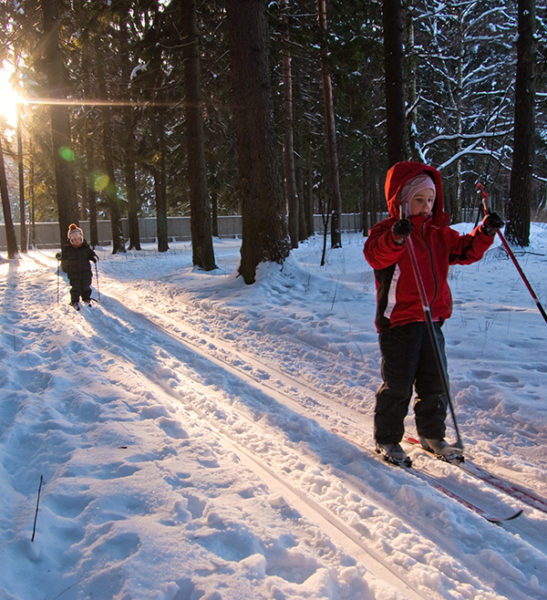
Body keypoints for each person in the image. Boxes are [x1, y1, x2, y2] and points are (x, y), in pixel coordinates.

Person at [363, 161, 503, 466]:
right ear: (401, 200)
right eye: (418, 200)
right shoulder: (386, 231)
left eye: (430, 200)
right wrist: (398, 237)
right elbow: (376, 254)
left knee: (435, 381)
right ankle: (387, 437)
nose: (425, 207)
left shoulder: (439, 233)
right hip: (399, 323)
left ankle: (432, 434)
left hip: (433, 319)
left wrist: (485, 231)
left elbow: (466, 251)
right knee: (398, 383)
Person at [57, 224, 98, 310]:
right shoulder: (68, 249)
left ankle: (86, 298)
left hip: (85, 271)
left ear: (82, 239)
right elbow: (63, 255)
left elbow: (90, 253)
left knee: (86, 285)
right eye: (74, 240)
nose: (77, 242)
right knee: (76, 287)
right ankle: (74, 301)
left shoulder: (85, 247)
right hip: (73, 272)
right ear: (71, 240)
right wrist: (59, 256)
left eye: (79, 240)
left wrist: (94, 257)